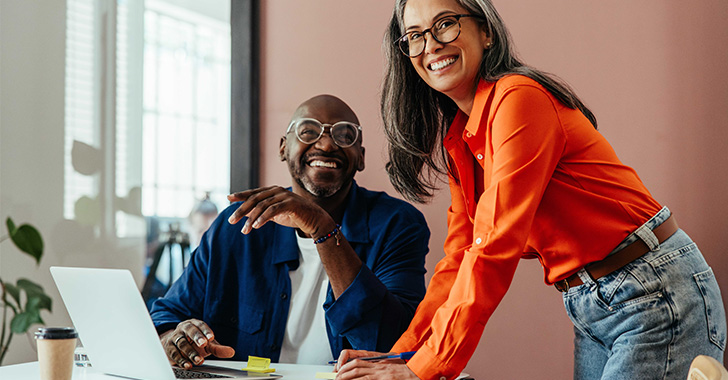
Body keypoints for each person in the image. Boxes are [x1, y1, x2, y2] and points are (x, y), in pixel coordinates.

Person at [335, 0, 727, 379]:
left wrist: (424, 369)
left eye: (445, 24)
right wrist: (402, 354)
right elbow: (459, 258)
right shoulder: (461, 138)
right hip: (593, 303)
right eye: (414, 36)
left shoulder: (518, 99)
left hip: (652, 294)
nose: (431, 44)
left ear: (485, 31)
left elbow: (494, 246)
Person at [150, 94, 430, 368]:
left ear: (361, 158)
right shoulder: (236, 226)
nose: (326, 144)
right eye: (308, 131)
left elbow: (392, 344)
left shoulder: (397, 224)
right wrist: (175, 338)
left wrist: (322, 228)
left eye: (345, 136)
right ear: (283, 147)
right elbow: (168, 316)